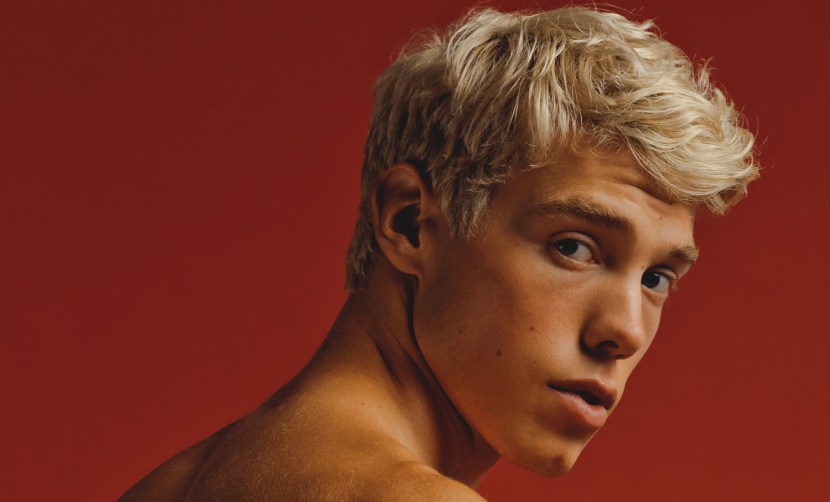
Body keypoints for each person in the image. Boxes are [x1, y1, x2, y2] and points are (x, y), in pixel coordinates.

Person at [121, 6, 757, 501]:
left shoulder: (162, 489)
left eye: (657, 278)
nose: (624, 331)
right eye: (573, 248)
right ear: (409, 223)